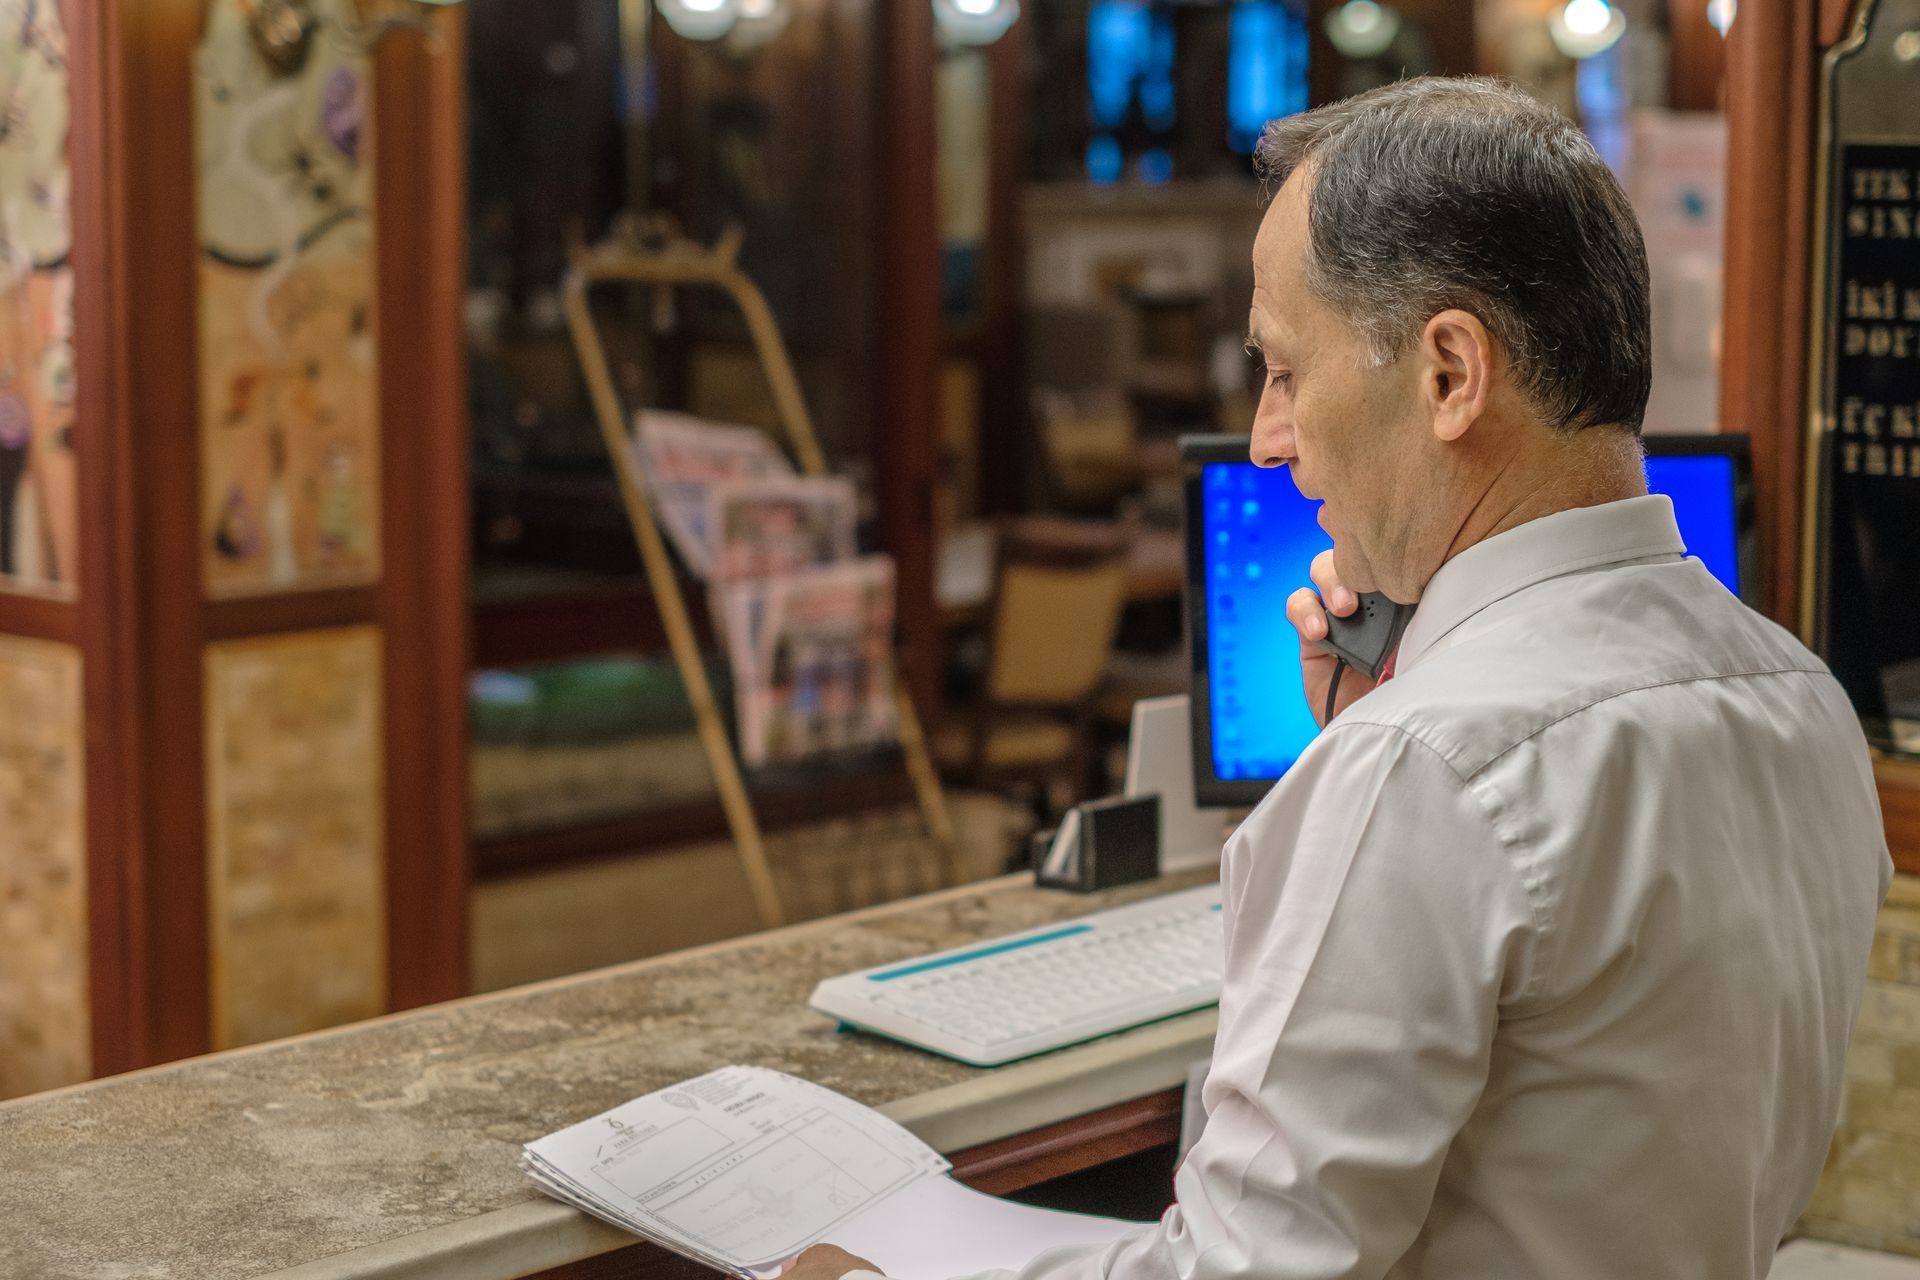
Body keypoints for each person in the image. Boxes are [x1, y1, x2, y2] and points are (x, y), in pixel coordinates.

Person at [790, 76, 1893, 1280]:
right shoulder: (1806, 701)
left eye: (1282, 370)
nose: (1268, 437)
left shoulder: (1425, 770)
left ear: (1450, 374)